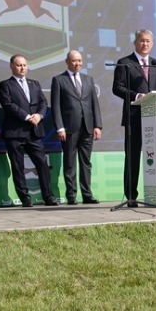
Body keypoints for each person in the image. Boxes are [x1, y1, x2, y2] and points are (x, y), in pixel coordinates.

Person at [112, 29, 156, 207]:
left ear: (152, 43)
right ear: (135, 42)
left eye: (148, 41)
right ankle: (131, 196)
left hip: (155, 118)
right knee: (133, 157)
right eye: (142, 41)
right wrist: (137, 96)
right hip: (134, 118)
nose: (145, 44)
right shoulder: (125, 63)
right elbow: (117, 87)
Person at [0, 54, 60, 206]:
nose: (22, 68)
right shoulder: (6, 85)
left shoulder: (34, 84)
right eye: (19, 65)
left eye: (24, 65)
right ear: (11, 66)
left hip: (34, 132)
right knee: (18, 166)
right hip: (15, 133)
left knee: (42, 163)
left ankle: (48, 197)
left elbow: (43, 102)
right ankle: (25, 198)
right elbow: (8, 104)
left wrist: (39, 115)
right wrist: (27, 117)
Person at [51, 49, 102, 204]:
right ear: (67, 62)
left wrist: (97, 125)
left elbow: (94, 103)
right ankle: (71, 195)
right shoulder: (59, 80)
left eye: (79, 60)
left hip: (87, 127)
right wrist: (60, 127)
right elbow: (56, 106)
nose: (77, 63)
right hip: (69, 128)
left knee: (86, 162)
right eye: (74, 60)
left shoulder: (88, 79)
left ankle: (87, 194)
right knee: (70, 163)